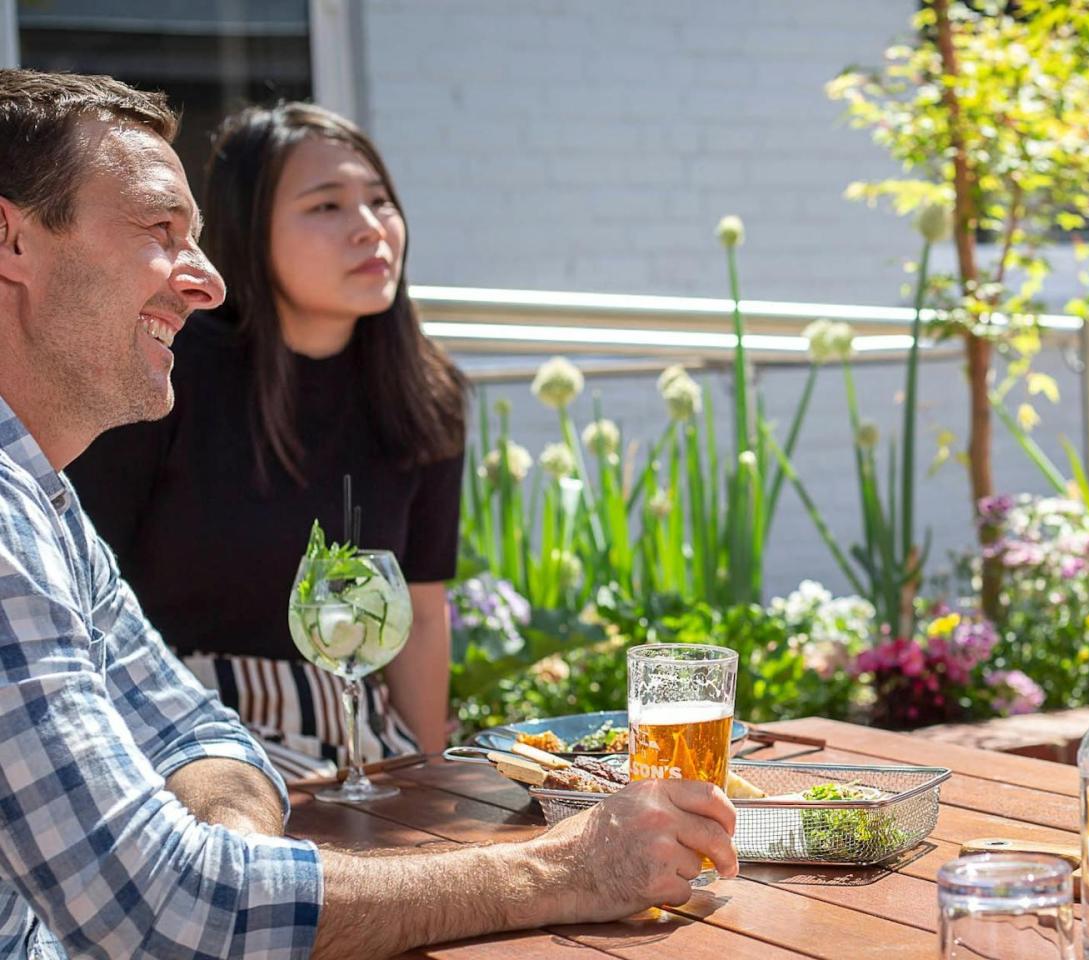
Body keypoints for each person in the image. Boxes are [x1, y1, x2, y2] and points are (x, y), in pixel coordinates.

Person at [0, 68, 735, 959]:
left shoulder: (42, 498)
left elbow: (195, 731)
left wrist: (232, 848)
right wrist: (564, 870)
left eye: (379, 201)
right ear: (10, 238)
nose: (206, 284)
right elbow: (167, 912)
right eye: (161, 231)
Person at [66, 102, 460, 776]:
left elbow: (422, 614)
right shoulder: (167, 370)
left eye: (380, 201)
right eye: (327, 206)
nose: (371, 229)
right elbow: (83, 587)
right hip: (180, 727)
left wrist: (426, 773)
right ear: (250, 231)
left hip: (355, 731)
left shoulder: (426, 392)